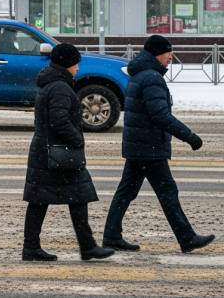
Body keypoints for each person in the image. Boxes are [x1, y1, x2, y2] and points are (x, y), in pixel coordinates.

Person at [103, 35, 215, 253]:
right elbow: (161, 116)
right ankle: (187, 237)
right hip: (149, 146)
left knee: (126, 191)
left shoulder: (139, 74)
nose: (171, 57)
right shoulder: (152, 77)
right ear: (157, 54)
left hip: (139, 144)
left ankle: (112, 235)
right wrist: (190, 136)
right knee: (167, 192)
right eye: (168, 52)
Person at [21, 43, 115, 262]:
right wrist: (78, 140)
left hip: (45, 151)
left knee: (41, 199)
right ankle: (86, 246)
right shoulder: (60, 87)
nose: (78, 69)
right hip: (56, 152)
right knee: (77, 195)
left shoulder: (51, 83)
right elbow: (59, 121)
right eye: (75, 64)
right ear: (66, 64)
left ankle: (33, 247)